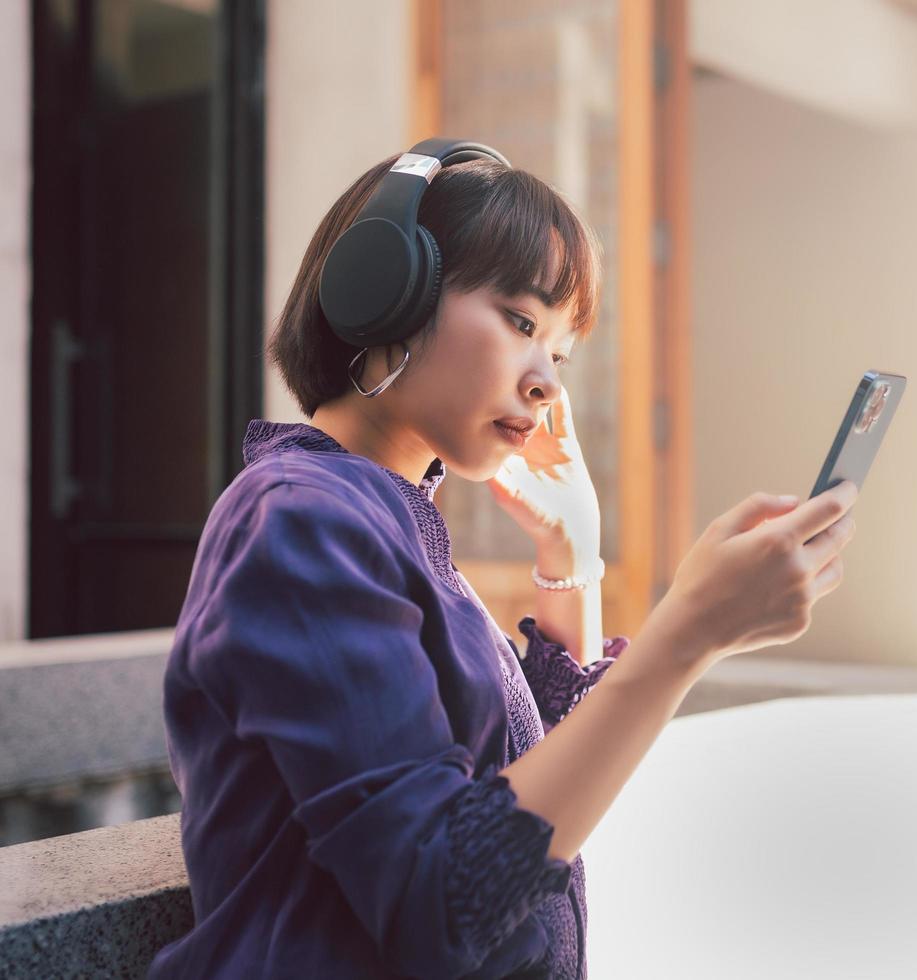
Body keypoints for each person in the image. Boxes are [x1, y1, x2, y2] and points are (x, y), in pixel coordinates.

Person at [147, 146, 859, 980]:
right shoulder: (302, 520)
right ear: (385, 294)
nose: (546, 384)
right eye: (522, 323)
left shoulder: (386, 516)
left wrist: (572, 554)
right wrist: (684, 639)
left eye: (559, 354)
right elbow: (444, 899)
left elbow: (526, 797)